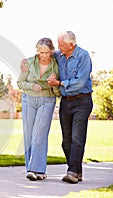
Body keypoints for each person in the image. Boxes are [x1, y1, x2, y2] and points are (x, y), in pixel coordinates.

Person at [47, 31, 93, 184]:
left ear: (71, 45)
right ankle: (77, 170)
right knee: (66, 141)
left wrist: (59, 83)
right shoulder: (59, 55)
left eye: (61, 45)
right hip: (66, 102)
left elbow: (79, 83)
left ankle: (72, 172)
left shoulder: (83, 56)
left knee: (77, 138)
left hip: (82, 101)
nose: (58, 47)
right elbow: (45, 55)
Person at [17, 38, 60, 181]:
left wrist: (53, 84)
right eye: (41, 52)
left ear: (51, 51)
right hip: (28, 99)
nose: (44, 55)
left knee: (39, 134)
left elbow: (58, 91)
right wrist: (32, 86)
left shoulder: (56, 65)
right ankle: (35, 169)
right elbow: (20, 83)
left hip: (47, 100)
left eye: (47, 52)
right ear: (37, 51)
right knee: (29, 135)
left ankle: (35, 169)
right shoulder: (28, 63)